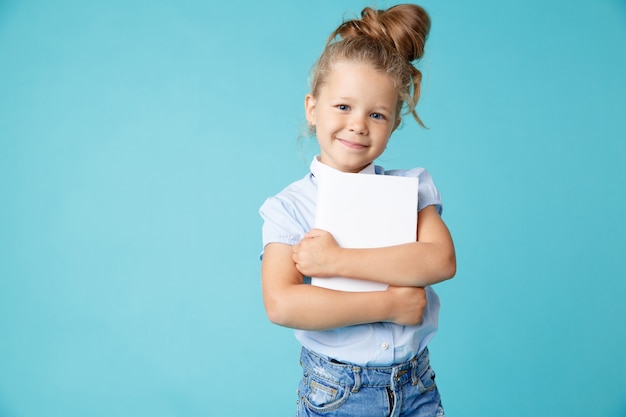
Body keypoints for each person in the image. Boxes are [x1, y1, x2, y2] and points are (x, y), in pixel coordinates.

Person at [259, 4, 456, 416]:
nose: (358, 125)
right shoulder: (290, 207)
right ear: (313, 109)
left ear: (395, 123)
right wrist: (388, 305)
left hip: (416, 384)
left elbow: (440, 259)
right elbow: (282, 303)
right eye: (343, 107)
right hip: (339, 393)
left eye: (377, 114)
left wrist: (338, 260)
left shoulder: (411, 187)